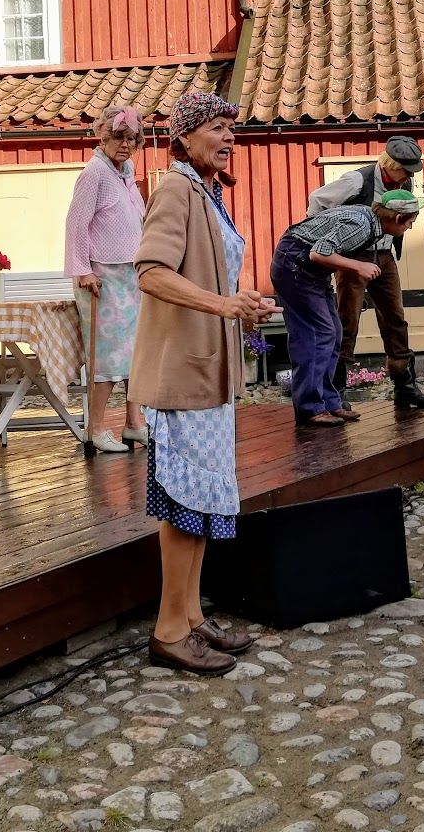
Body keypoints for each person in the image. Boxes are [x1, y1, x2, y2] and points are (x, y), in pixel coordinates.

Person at [130, 89, 279, 676]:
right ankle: (168, 631)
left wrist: (237, 307)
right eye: (215, 127)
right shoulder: (174, 189)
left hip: (208, 369)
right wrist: (224, 305)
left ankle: (191, 617)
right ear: (185, 137)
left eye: (230, 128)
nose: (226, 136)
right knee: (184, 504)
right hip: (181, 371)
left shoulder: (204, 193)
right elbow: (151, 272)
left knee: (205, 501)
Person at [307, 134, 424, 411]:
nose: (408, 176)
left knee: (395, 318)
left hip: (385, 253)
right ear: (390, 164)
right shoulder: (357, 180)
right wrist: (329, 237)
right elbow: (316, 200)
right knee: (347, 320)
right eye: (405, 170)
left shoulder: (405, 180)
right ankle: (336, 391)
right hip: (354, 254)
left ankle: (405, 387)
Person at [272, 191, 422, 427]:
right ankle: (309, 407)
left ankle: (330, 402)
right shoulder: (361, 225)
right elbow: (318, 252)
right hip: (294, 265)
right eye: (410, 221)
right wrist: (357, 266)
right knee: (318, 334)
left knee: (335, 332)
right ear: (396, 218)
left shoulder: (370, 224)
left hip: (309, 269)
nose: (410, 227)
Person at [65, 105, 149, 454]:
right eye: (119, 137)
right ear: (103, 135)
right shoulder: (95, 173)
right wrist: (82, 270)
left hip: (129, 275)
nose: (126, 144)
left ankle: (134, 423)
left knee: (135, 353)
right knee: (110, 357)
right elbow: (75, 224)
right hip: (101, 277)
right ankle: (96, 427)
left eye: (132, 139)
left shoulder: (124, 172)